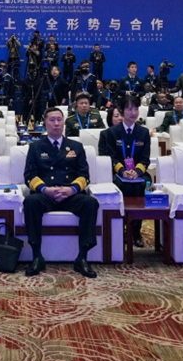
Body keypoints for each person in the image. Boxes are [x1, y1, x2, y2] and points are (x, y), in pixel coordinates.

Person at [23, 107, 99, 278]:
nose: (56, 124)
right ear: (44, 123)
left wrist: (71, 189)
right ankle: (37, 256)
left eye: (59, 120)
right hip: (46, 194)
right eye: (52, 120)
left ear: (64, 122)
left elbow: (84, 175)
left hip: (69, 193)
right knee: (30, 202)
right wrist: (45, 189)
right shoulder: (35, 147)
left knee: (90, 203)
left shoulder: (76, 146)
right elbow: (29, 175)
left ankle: (82, 258)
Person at [104, 96, 151, 248]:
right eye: (129, 109)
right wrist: (123, 171)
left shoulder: (143, 132)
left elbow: (145, 159)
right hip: (118, 173)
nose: (133, 112)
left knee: (145, 183)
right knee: (119, 185)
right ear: (122, 112)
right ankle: (121, 228)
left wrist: (137, 171)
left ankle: (136, 230)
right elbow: (110, 158)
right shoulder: (111, 133)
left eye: (136, 108)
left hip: (137, 172)